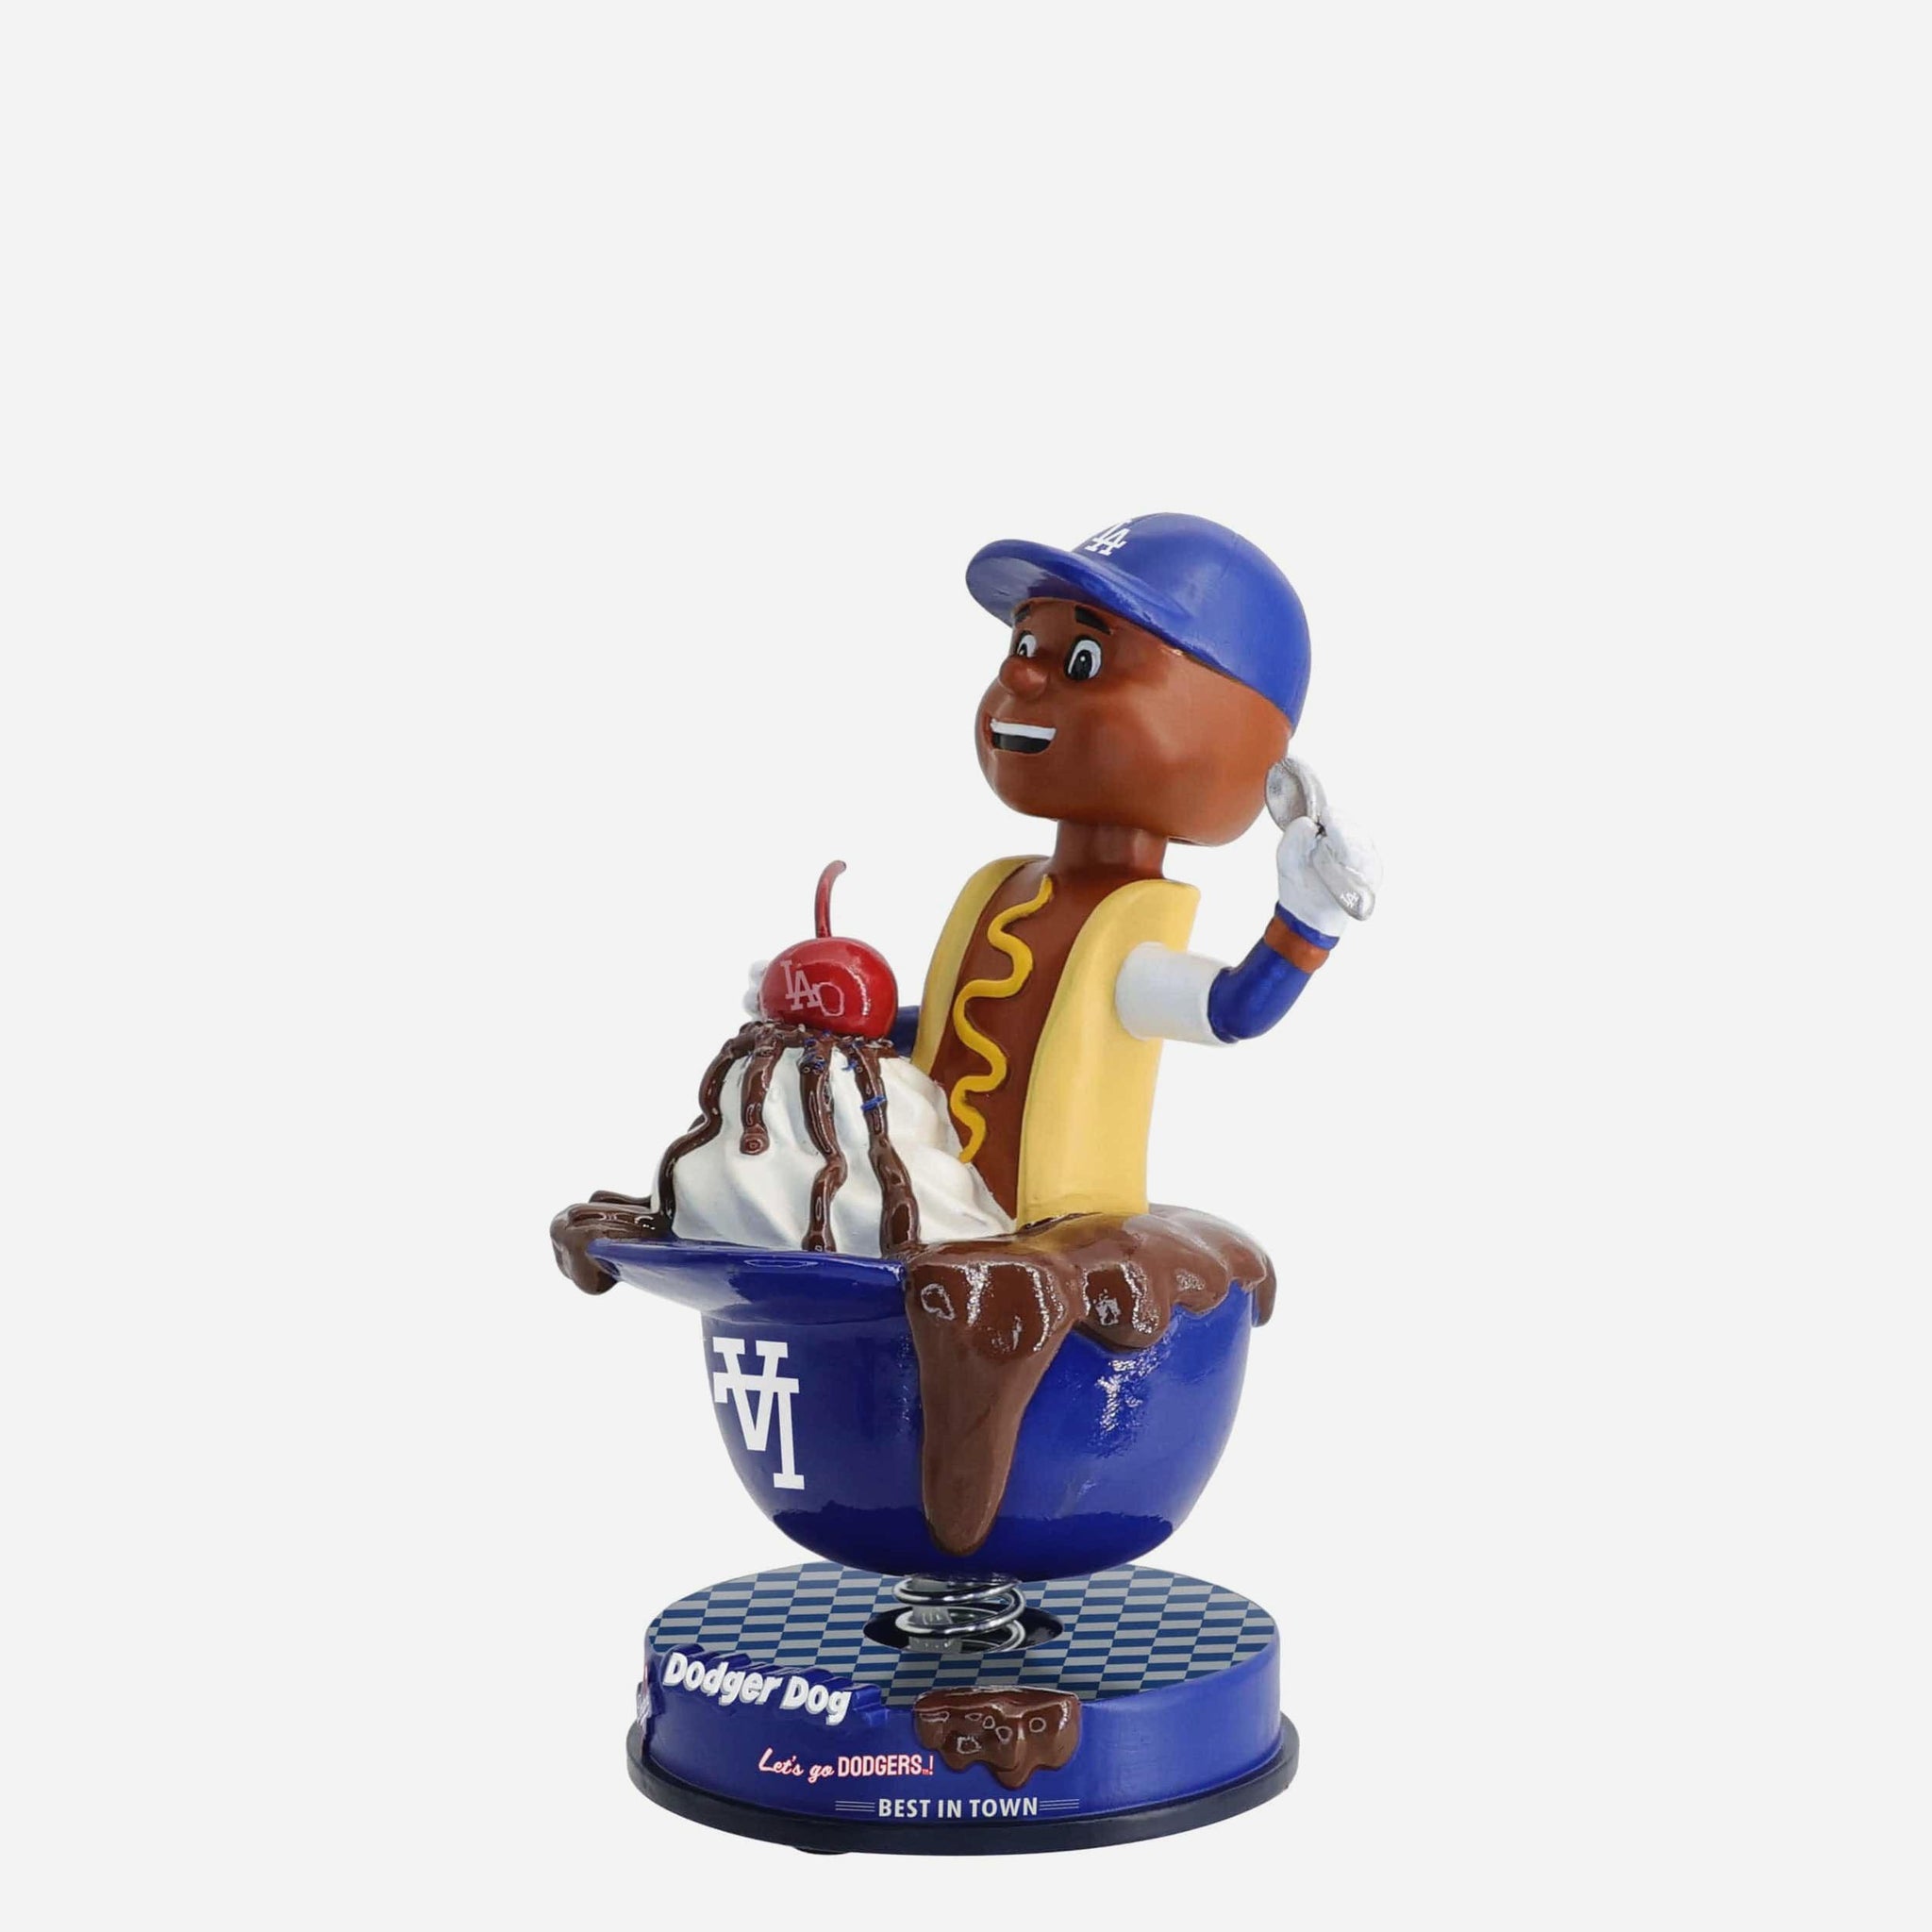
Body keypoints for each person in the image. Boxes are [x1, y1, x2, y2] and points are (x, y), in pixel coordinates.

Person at [885, 513, 1378, 1225]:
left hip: (1044, 1222)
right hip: (921, 1198)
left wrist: (1308, 921)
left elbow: (1232, 1011)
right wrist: (836, 1009)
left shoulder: (1127, 927)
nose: (1020, 674)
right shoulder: (998, 886)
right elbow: (945, 1034)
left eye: (1083, 660)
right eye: (1025, 644)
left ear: (1231, 737)